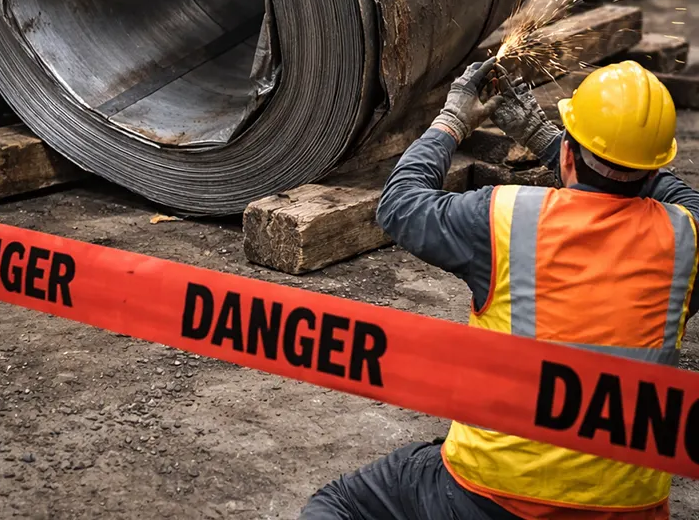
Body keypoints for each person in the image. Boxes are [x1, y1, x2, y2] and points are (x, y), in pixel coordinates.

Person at [299, 58, 699, 520]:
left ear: (570, 155)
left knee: (343, 503)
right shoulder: (685, 241)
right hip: (628, 509)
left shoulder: (505, 218)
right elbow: (672, 194)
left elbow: (401, 204)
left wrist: (451, 123)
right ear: (654, 171)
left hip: (492, 496)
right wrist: (548, 140)